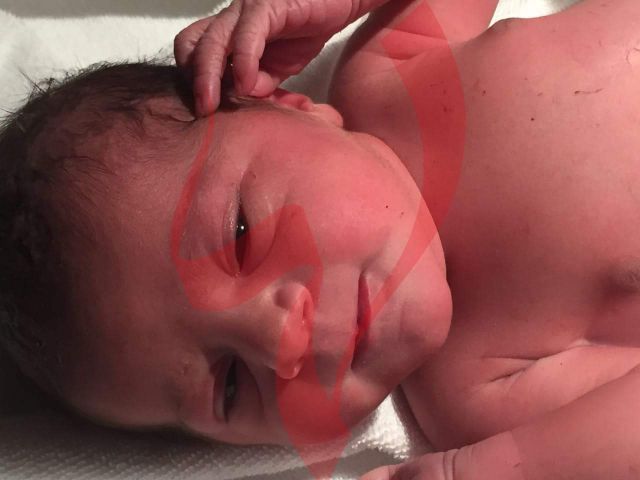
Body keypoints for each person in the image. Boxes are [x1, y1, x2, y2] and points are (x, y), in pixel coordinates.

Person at [2, 0, 640, 478]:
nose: (281, 339)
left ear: (288, 105)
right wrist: (487, 469)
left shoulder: (390, 77)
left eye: (241, 237)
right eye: (230, 385)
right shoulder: (478, 390)